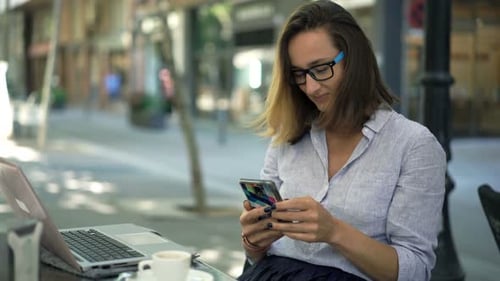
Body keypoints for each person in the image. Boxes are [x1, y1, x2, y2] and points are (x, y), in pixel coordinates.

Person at [238, 1, 446, 281]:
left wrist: (334, 232)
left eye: (321, 68)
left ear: (354, 58)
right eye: (298, 74)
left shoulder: (413, 146)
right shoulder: (287, 137)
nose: (310, 87)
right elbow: (259, 255)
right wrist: (254, 241)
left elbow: (415, 270)